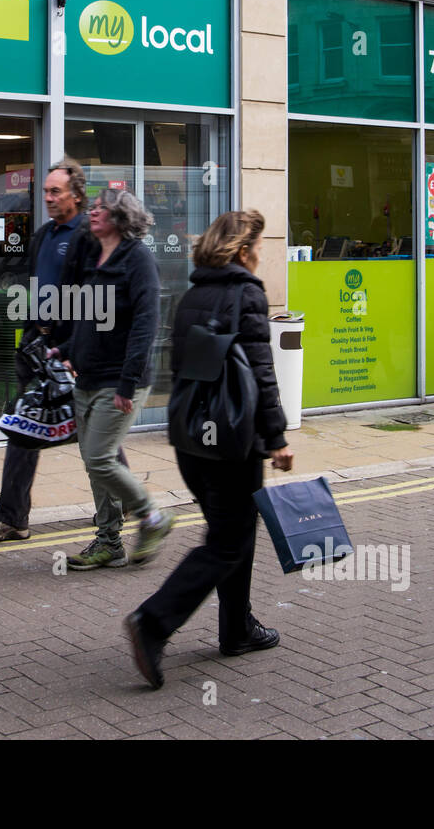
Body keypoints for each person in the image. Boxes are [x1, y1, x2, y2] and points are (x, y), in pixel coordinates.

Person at [123, 210, 292, 689]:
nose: (261, 254)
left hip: (193, 439)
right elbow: (261, 373)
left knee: (232, 534)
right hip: (234, 441)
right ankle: (153, 621)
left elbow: (183, 367)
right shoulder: (247, 292)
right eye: (257, 246)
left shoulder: (193, 292)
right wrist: (276, 437)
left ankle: (237, 629)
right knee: (227, 542)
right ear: (242, 251)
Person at [0, 158, 128, 542]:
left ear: (77, 195)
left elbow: (96, 294)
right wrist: (31, 332)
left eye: (55, 191)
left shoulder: (91, 235)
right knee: (24, 430)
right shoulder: (43, 234)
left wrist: (79, 346)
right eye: (45, 191)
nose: (48, 197)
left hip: (73, 351)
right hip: (39, 346)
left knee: (97, 438)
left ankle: (127, 505)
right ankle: (11, 518)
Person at [53, 189, 169, 570]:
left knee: (101, 459)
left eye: (103, 208)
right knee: (93, 462)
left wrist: (127, 382)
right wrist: (67, 348)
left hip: (120, 380)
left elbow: (145, 326)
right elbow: (88, 315)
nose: (94, 213)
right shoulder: (95, 257)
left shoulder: (138, 260)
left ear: (122, 217)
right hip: (87, 375)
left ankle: (152, 517)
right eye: (95, 208)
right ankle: (108, 542)